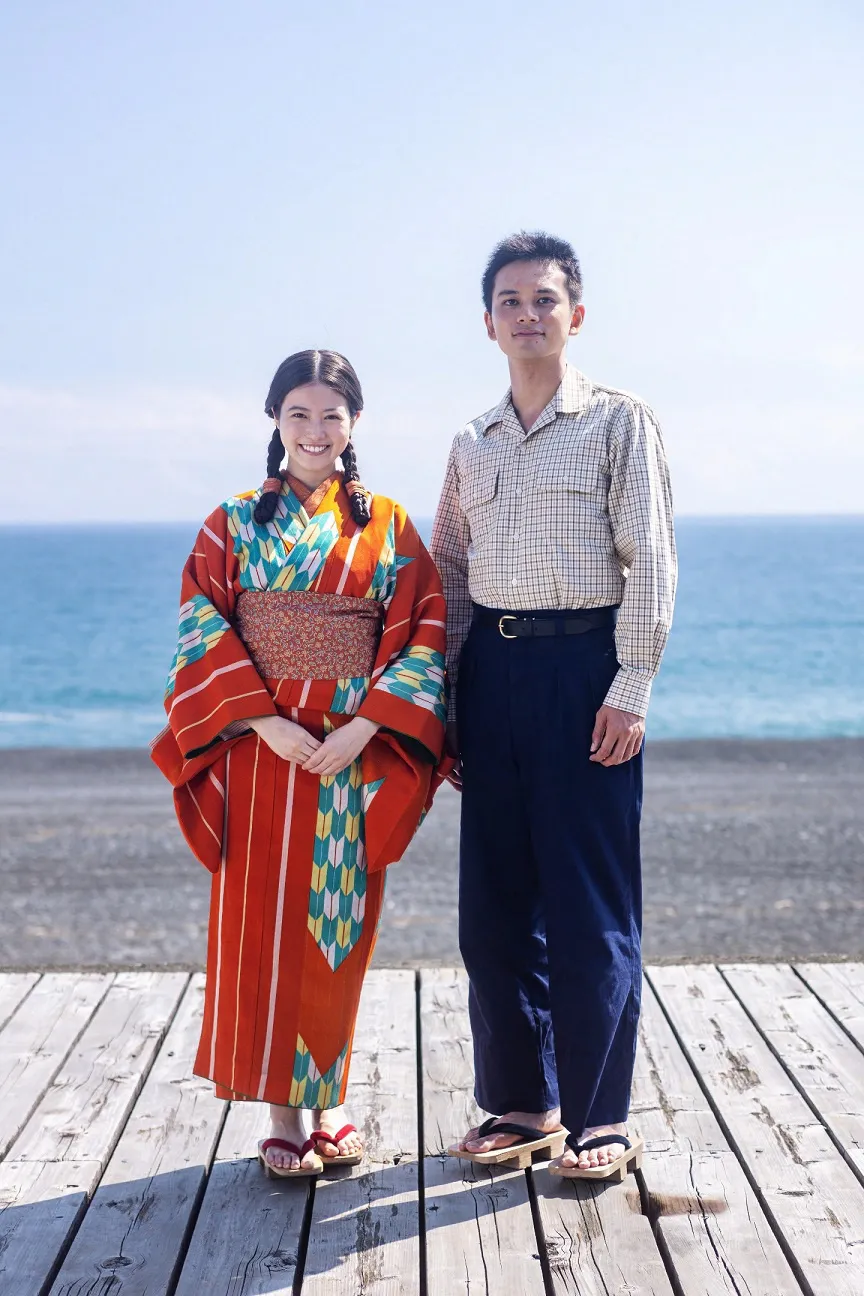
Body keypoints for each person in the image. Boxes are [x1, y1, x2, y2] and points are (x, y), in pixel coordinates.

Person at [152, 350, 448, 1177]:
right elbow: (199, 627)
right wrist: (258, 719)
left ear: (354, 425)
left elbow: (424, 629)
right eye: (298, 415)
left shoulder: (387, 523)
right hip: (259, 754)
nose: (315, 432)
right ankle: (282, 1113)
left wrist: (367, 727)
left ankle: (333, 1101)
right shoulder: (232, 521)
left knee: (336, 926)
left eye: (330, 416)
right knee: (260, 930)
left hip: (351, 756)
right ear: (276, 422)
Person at [431, 232, 677, 1178]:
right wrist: (446, 705)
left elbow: (650, 559)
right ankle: (523, 1105)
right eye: (510, 301)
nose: (528, 315)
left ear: (577, 313)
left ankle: (600, 1117)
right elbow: (451, 571)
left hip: (586, 676)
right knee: (492, 912)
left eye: (545, 299)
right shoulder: (470, 441)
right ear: (487, 323)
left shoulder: (621, 422)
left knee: (589, 908)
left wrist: (631, 686)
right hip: (490, 680)